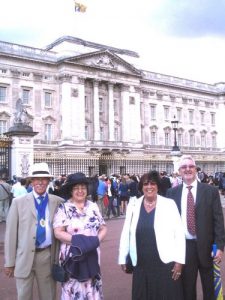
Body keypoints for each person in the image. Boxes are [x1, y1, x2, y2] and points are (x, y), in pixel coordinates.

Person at [118, 170, 185, 300]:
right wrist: (122, 257)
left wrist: (179, 261)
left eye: (152, 184)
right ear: (141, 187)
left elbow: (179, 234)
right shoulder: (133, 205)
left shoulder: (169, 204)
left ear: (158, 186)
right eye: (145, 184)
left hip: (164, 262)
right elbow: (126, 232)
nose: (149, 187)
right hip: (141, 264)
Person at [166, 155, 225, 300]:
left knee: (209, 288)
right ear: (179, 171)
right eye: (184, 167)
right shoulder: (172, 193)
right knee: (187, 289)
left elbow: (218, 220)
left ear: (196, 170)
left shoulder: (210, 191)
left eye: (191, 166)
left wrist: (220, 246)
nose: (188, 169)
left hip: (207, 246)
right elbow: (168, 224)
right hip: (184, 248)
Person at [4, 163, 63, 300]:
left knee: (48, 295)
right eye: (36, 179)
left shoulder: (58, 202)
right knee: (24, 295)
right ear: (31, 181)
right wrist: (9, 262)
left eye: (44, 179)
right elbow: (11, 235)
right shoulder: (18, 202)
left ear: (48, 181)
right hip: (23, 256)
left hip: (47, 255)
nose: (40, 182)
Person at [53, 172, 107, 300]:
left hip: (92, 255)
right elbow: (58, 232)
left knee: (92, 288)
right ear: (71, 190)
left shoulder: (93, 206)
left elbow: (103, 228)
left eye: (83, 188)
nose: (80, 191)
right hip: (72, 257)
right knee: (73, 289)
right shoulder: (64, 208)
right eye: (76, 188)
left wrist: (94, 242)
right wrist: (80, 242)